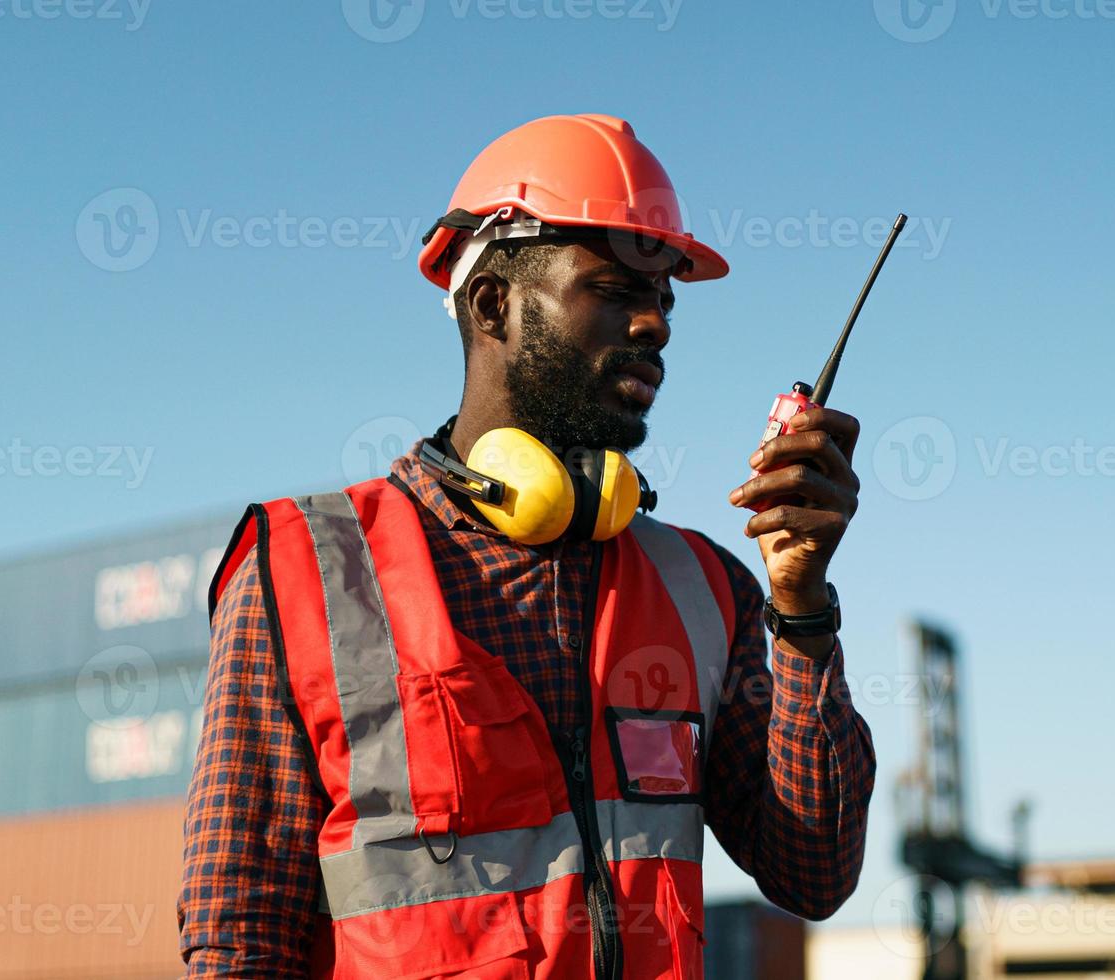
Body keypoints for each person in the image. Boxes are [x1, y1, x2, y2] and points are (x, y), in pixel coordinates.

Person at [177, 113, 876, 978]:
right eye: (615, 289)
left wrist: (802, 609)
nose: (655, 325)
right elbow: (238, 936)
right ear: (492, 303)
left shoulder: (705, 587)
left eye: (663, 298)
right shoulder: (303, 571)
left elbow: (813, 874)